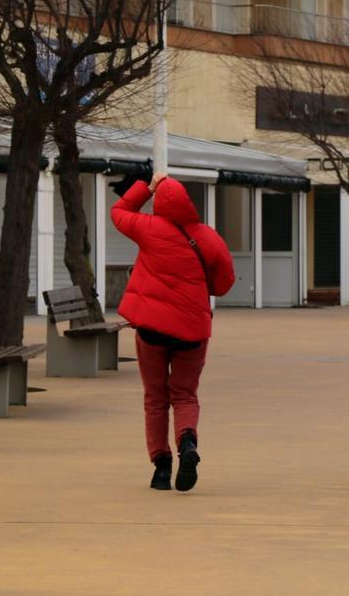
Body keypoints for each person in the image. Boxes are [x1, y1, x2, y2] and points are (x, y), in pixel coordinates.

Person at [112, 172, 235, 492]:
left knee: (155, 398)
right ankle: (188, 442)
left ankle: (161, 468)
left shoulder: (148, 229)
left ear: (158, 202)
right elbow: (223, 284)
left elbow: (119, 213)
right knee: (184, 394)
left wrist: (146, 188)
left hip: (151, 330)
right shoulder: (208, 237)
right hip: (192, 332)